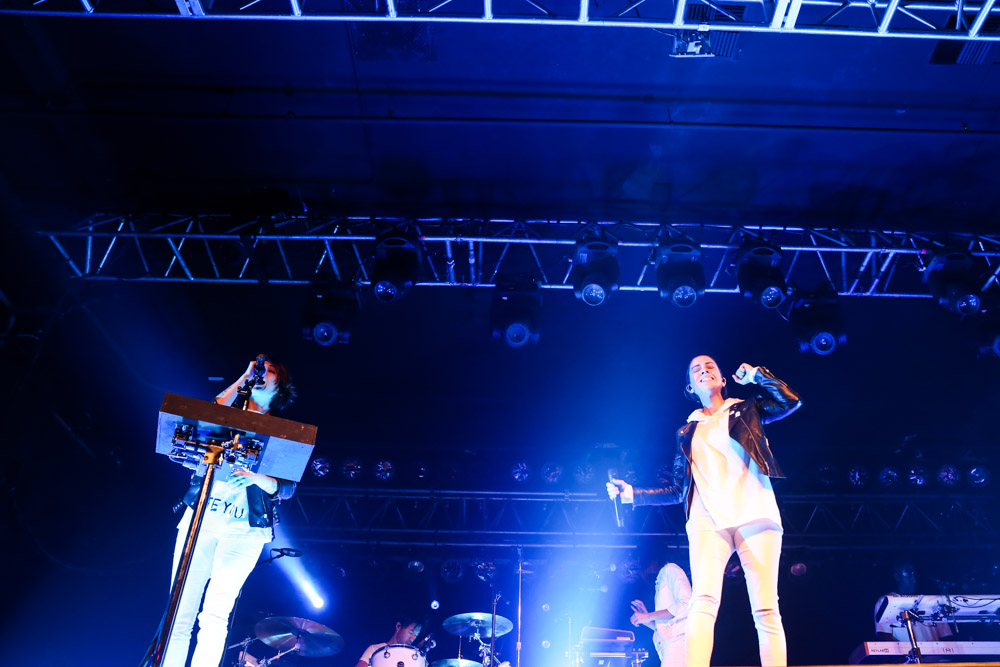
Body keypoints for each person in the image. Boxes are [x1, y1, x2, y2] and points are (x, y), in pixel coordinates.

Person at [608, 355, 801, 667]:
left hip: (756, 511)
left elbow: (790, 401)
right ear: (690, 385)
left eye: (710, 366)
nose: (704, 370)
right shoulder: (687, 431)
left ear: (723, 380)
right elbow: (676, 488)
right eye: (696, 369)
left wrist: (757, 376)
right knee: (702, 602)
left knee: (766, 608)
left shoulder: (746, 409)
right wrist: (632, 494)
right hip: (707, 520)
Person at [163, 356, 297, 667]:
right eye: (260, 369)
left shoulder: (283, 433)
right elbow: (205, 417)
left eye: (271, 371)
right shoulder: (224, 416)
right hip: (201, 521)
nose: (263, 374)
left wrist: (255, 478)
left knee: (214, 614)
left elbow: (287, 488)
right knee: (179, 611)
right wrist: (244, 377)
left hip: (244, 531)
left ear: (280, 386)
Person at [629, 562, 691, 667]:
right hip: (668, 646)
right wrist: (647, 620)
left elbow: (687, 605)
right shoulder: (661, 577)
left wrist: (648, 616)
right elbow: (667, 627)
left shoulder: (670, 570)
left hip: (677, 645)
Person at [355, 613, 424, 667]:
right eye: (411, 632)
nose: (412, 638)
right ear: (398, 626)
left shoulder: (414, 657)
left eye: (416, 635)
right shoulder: (374, 649)